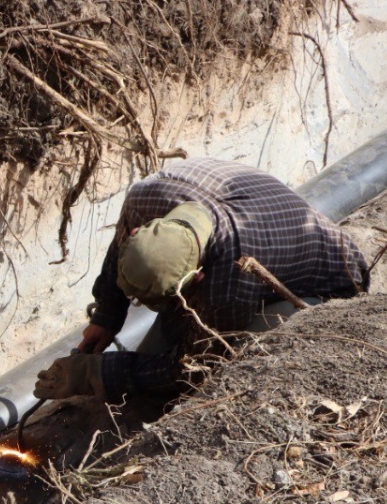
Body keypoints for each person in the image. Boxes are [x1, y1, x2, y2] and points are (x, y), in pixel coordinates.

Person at [34, 157, 369, 401]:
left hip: (329, 289)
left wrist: (94, 373)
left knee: (208, 374)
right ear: (140, 232)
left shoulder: (232, 281)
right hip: (254, 229)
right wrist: (107, 316)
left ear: (198, 278)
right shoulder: (144, 198)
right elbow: (119, 250)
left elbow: (191, 366)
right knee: (150, 357)